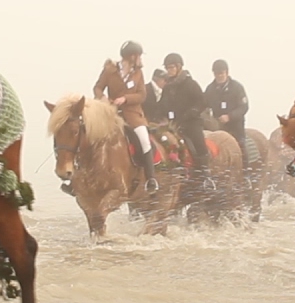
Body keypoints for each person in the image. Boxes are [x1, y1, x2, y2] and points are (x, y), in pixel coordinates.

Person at [94, 41, 158, 193]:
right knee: (93, 137)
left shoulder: (138, 73)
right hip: (112, 114)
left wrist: (125, 99)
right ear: (132, 56)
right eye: (139, 56)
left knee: (144, 140)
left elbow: (142, 95)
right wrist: (102, 97)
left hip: (133, 115)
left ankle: (151, 179)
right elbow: (97, 87)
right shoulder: (110, 70)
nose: (140, 58)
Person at [161, 53, 213, 188]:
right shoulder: (167, 87)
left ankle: (206, 176)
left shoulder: (190, 84)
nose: (169, 70)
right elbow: (162, 105)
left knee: (199, 143)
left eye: (171, 67)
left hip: (191, 122)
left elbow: (202, 101)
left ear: (179, 67)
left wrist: (193, 112)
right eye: (167, 68)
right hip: (174, 125)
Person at [203, 59, 250, 166]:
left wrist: (230, 116)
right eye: (216, 73)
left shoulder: (237, 88)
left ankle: (246, 174)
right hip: (217, 127)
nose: (219, 76)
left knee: (241, 146)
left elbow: (244, 107)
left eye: (221, 73)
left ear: (227, 73)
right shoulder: (210, 89)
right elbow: (204, 105)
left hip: (235, 126)